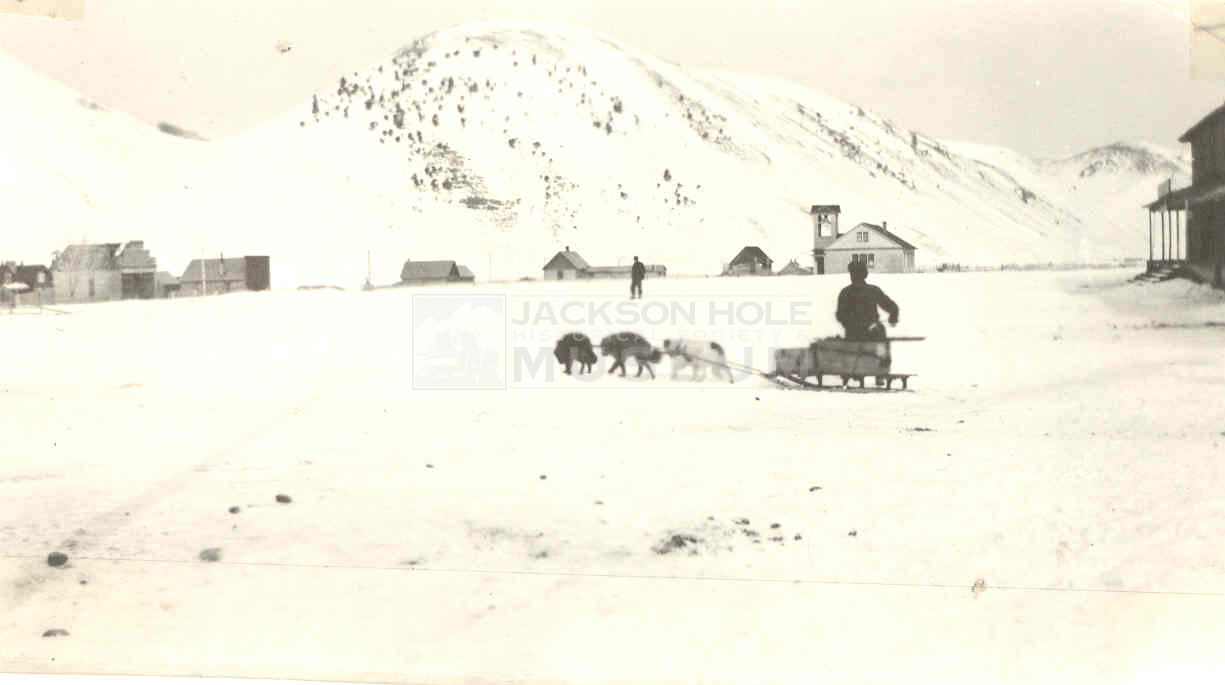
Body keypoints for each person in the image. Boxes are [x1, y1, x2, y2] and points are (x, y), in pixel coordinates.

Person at [835, 261, 899, 341]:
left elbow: (839, 315)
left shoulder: (845, 292)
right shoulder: (873, 290)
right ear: (865, 275)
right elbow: (893, 308)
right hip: (870, 335)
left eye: (855, 274)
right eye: (854, 274)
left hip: (855, 336)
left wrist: (852, 324)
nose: (854, 276)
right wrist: (893, 318)